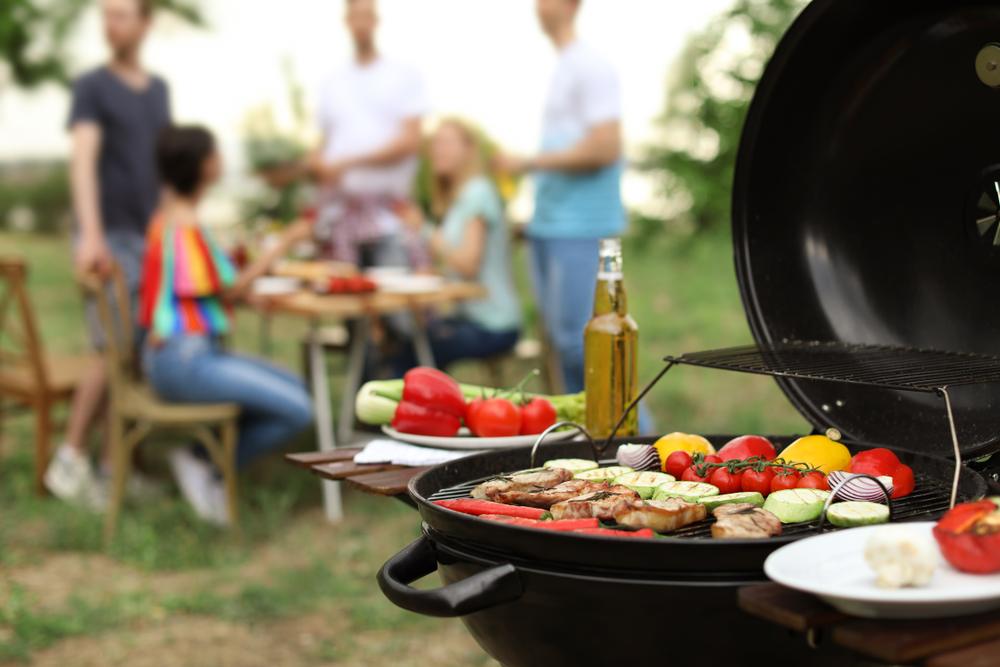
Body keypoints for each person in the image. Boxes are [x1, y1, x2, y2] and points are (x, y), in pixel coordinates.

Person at [139, 126, 313, 524]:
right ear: (204, 165)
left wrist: (247, 293)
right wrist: (282, 245)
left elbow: (208, 290)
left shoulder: (173, 218)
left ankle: (205, 459)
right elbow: (228, 290)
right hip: (183, 361)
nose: (221, 160)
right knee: (298, 410)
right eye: (216, 154)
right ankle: (203, 463)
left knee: (298, 389)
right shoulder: (183, 226)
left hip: (189, 353)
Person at [45, 0, 171, 508]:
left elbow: (162, 171)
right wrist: (91, 235)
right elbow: (83, 162)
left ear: (145, 23)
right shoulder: (91, 86)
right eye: (106, 15)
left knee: (133, 355)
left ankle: (111, 467)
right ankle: (70, 460)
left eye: (121, 14)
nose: (110, 24)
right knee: (110, 352)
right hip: (109, 238)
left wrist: (167, 237)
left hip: (147, 239)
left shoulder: (157, 90)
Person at [495, 0, 624, 393]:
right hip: (551, 228)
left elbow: (606, 148)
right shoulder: (565, 65)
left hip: (582, 229)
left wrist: (526, 163)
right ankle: (582, 445)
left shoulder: (590, 65)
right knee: (562, 347)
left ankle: (637, 439)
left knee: (585, 344)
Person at [268, 0, 428, 270]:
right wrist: (311, 164)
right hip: (341, 216)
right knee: (348, 303)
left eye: (367, 15)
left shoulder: (403, 74)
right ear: (347, 21)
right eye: (355, 16)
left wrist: (348, 162)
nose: (361, 23)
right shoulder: (332, 82)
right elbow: (325, 144)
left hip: (390, 218)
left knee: (396, 303)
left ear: (376, 20)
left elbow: (411, 142)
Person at [396, 120, 521, 371]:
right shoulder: (461, 198)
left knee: (408, 352)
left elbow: (468, 265)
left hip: (494, 324)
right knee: (404, 342)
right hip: (469, 318)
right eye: (435, 144)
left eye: (447, 143)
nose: (438, 150)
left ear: (469, 150)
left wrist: (423, 229)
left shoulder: (477, 194)